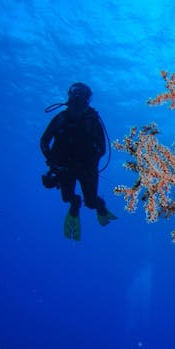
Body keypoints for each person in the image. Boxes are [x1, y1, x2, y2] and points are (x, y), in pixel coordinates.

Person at [40, 82, 117, 240]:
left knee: (90, 202)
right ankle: (75, 204)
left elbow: (102, 149)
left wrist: (88, 165)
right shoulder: (61, 118)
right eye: (75, 94)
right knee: (67, 198)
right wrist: (53, 164)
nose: (77, 99)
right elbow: (44, 142)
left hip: (86, 170)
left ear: (87, 100)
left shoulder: (92, 121)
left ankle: (99, 205)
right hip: (64, 168)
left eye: (81, 95)